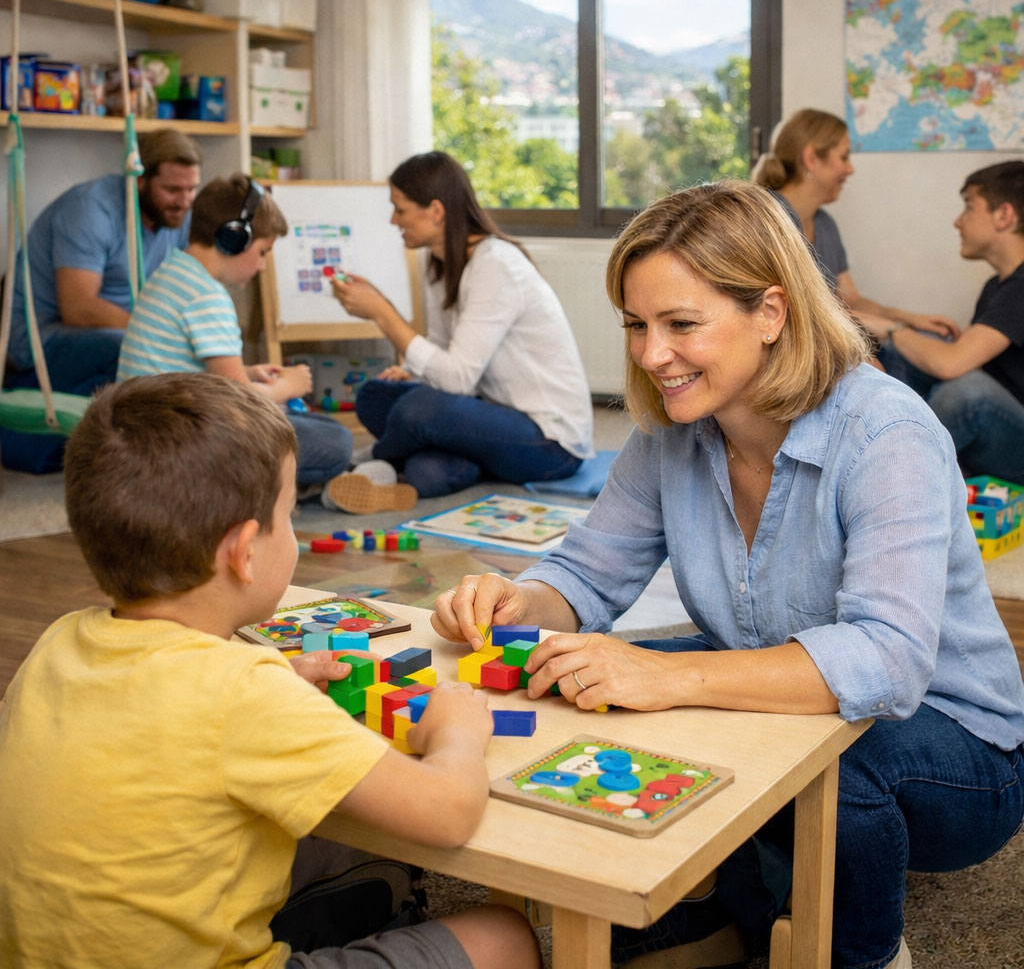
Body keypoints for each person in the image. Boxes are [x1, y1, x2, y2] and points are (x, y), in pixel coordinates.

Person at [431, 180, 1024, 969]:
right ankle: (731, 910)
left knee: (825, 754)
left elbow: (887, 662)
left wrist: (671, 677)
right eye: (638, 326)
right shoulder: (674, 433)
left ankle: (865, 955)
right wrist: (518, 602)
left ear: (770, 314)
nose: (650, 354)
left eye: (681, 324)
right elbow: (587, 573)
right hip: (793, 707)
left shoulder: (886, 430)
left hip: (956, 748)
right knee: (573, 673)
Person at [0, 372, 541, 969]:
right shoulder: (244, 694)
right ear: (243, 551)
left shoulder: (56, 643)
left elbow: (166, 732)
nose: (296, 538)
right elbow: (446, 815)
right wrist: (456, 731)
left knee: (334, 845)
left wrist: (278, 687)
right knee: (504, 937)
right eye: (288, 517)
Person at [326, 150, 594, 507]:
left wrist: (383, 315)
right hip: (489, 411)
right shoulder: (440, 264)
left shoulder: (495, 265)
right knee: (378, 399)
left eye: (401, 210)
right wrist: (411, 373)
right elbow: (441, 347)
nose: (393, 220)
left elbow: (456, 380)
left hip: (549, 442)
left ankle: (369, 461)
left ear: (436, 211)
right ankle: (430, 465)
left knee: (420, 408)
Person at [116, 173, 355, 501]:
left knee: (312, 426)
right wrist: (289, 386)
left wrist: (251, 372)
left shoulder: (171, 272)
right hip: (179, 452)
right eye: (262, 252)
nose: (263, 266)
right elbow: (241, 403)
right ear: (233, 239)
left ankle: (287, 487)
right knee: (335, 441)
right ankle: (268, 492)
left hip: (145, 440)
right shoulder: (208, 297)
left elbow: (200, 376)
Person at [2, 128, 202, 474]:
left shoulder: (176, 217)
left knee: (178, 355)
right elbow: (78, 308)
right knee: (130, 350)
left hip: (109, 333)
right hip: (36, 344)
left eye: (191, 189)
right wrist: (155, 335)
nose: (184, 201)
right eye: (172, 190)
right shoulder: (91, 210)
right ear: (138, 180)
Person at [752, 108, 960, 341]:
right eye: (843, 157)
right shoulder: (766, 218)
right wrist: (885, 327)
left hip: (821, 344)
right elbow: (783, 312)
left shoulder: (825, 224)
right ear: (811, 159)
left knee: (933, 339)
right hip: (785, 351)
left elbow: (850, 299)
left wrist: (907, 320)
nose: (850, 169)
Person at [877, 160, 1024, 485]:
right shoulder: (997, 286)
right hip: (1002, 426)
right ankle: (886, 437)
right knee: (915, 352)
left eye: (969, 208)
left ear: (1004, 216)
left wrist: (891, 329)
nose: (958, 222)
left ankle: (891, 477)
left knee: (968, 392)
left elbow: (952, 366)